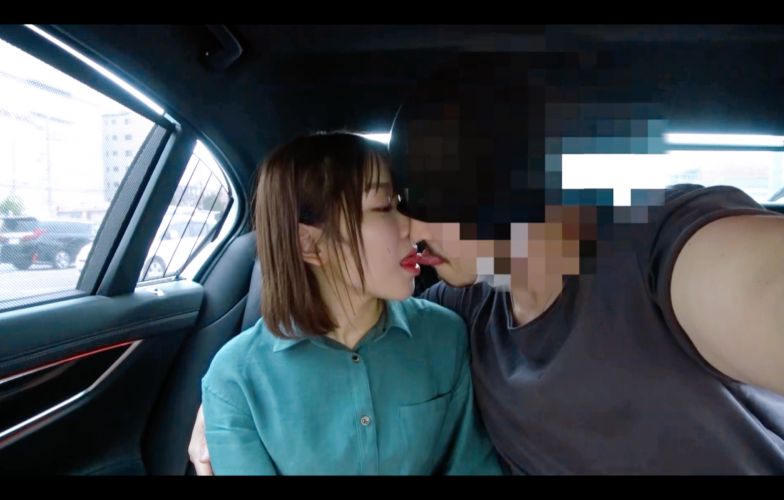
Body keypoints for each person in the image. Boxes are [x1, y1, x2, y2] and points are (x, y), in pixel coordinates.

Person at [193, 54, 784, 474]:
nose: (406, 227)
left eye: (416, 199)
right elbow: (329, 335)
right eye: (391, 204)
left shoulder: (649, 247)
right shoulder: (465, 306)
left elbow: (751, 283)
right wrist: (229, 395)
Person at [199, 132, 503, 475]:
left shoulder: (444, 335)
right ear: (309, 244)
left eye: (402, 204)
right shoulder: (235, 382)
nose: (413, 226)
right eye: (385, 207)